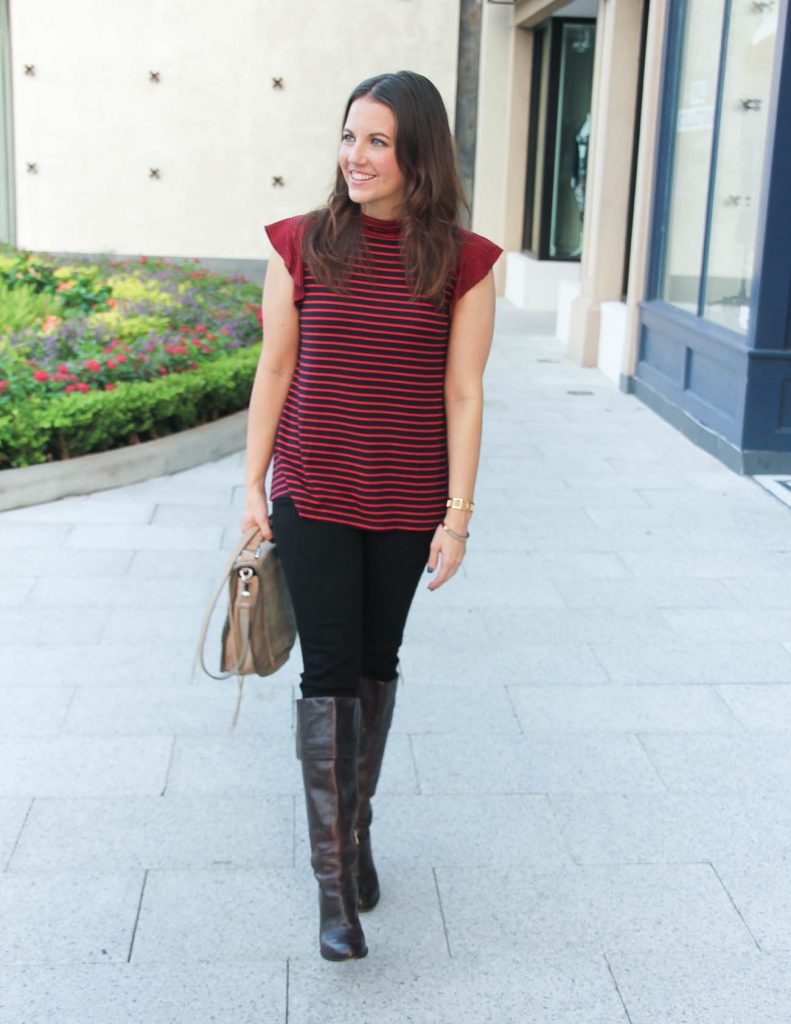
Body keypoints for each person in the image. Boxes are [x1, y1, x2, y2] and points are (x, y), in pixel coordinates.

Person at [241, 70, 501, 961]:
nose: (355, 155)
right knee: (329, 672)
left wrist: (456, 518)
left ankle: (355, 839)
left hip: (404, 501)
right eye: (349, 135)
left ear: (417, 153)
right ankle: (332, 894)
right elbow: (274, 370)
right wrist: (250, 488)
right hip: (311, 491)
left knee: (378, 667)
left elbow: (463, 393)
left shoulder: (462, 262)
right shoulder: (302, 244)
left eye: (378, 140)